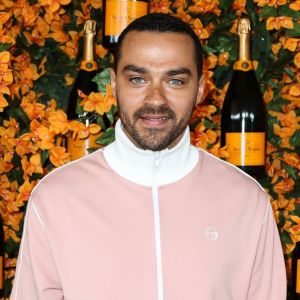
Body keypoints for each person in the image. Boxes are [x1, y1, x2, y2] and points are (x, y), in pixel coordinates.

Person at [11, 13, 286, 300]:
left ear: (201, 90)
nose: (156, 99)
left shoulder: (246, 200)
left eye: (176, 81)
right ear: (114, 85)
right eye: (138, 79)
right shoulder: (55, 198)